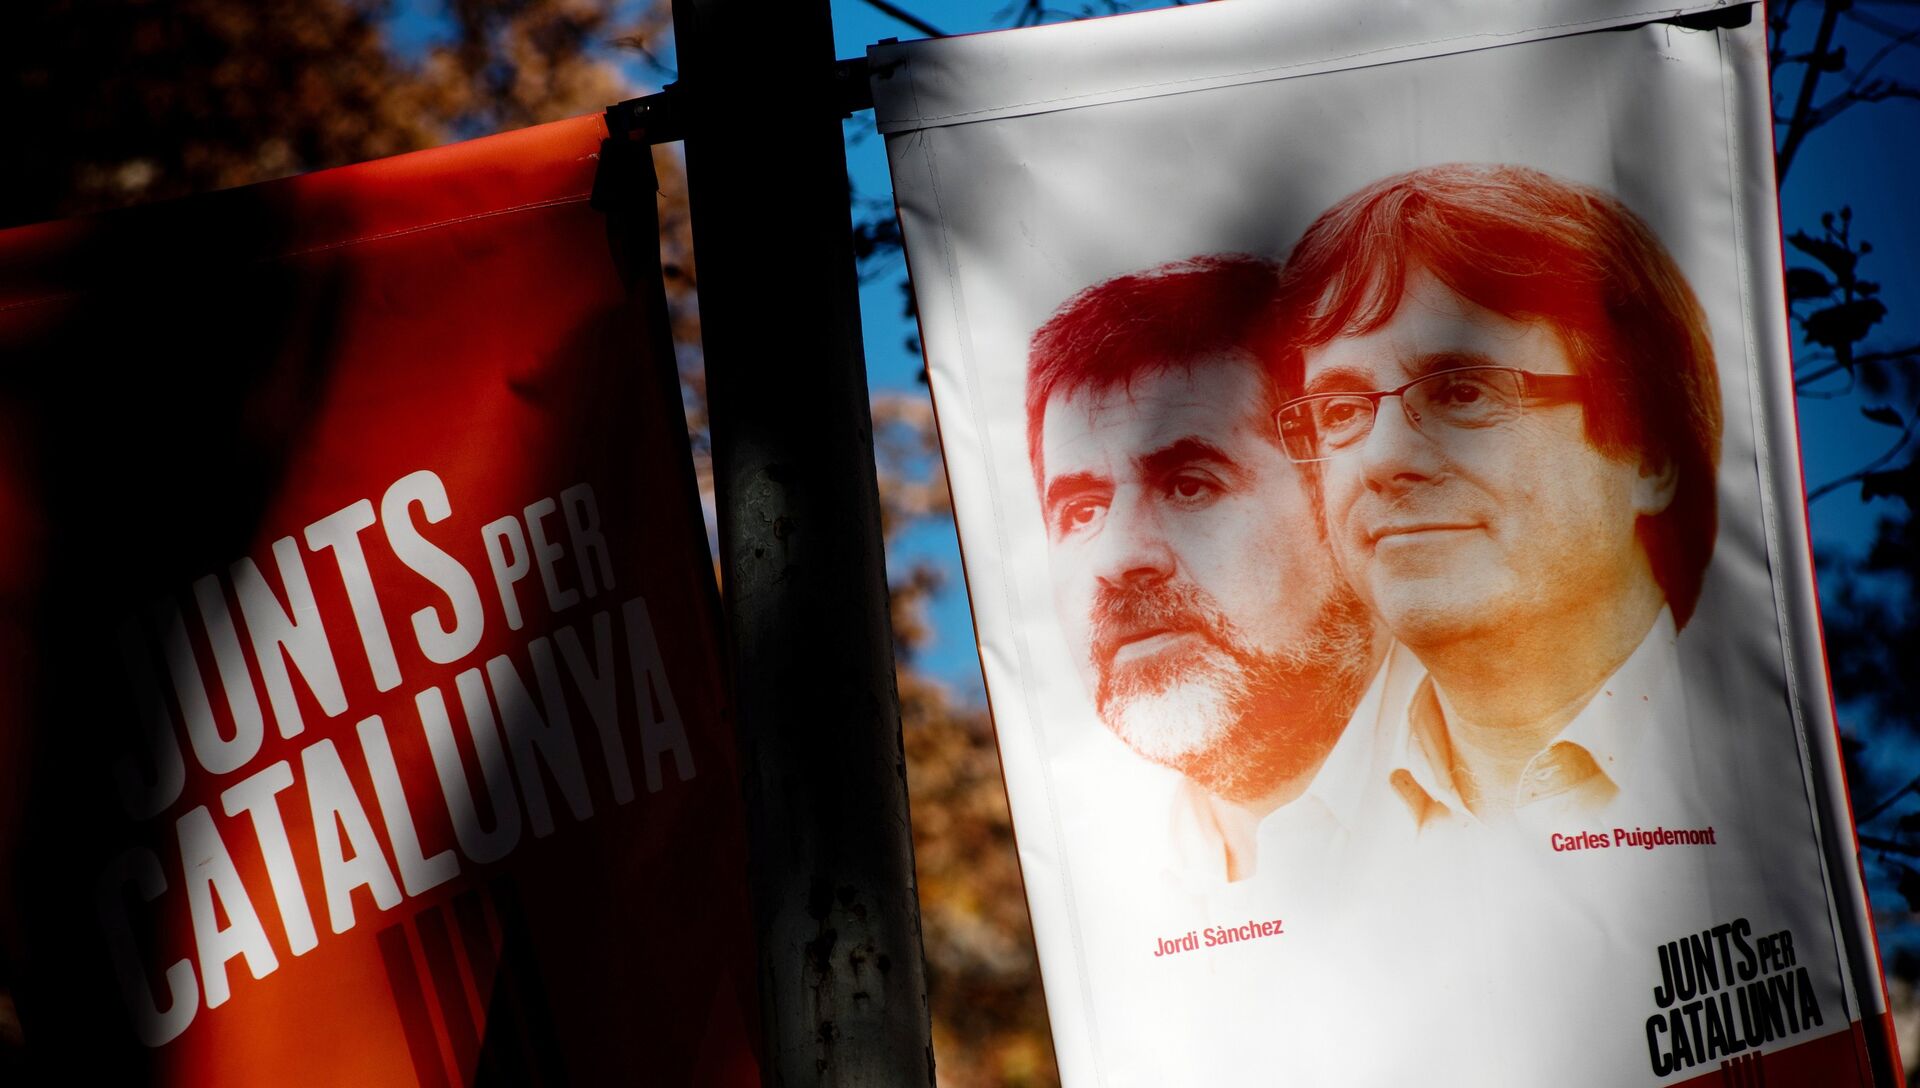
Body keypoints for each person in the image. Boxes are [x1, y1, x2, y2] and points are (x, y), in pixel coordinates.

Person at [1271, 163, 1723, 830]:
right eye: (1340, 411)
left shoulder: (1781, 779)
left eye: (1463, 391)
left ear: (1649, 452)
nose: (1382, 459)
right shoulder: (1298, 848)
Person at [1026, 254, 1386, 884]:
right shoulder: (1104, 884)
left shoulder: (1537, 792)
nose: (1118, 557)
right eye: (1082, 512)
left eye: (1190, 485)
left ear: (1334, 498)